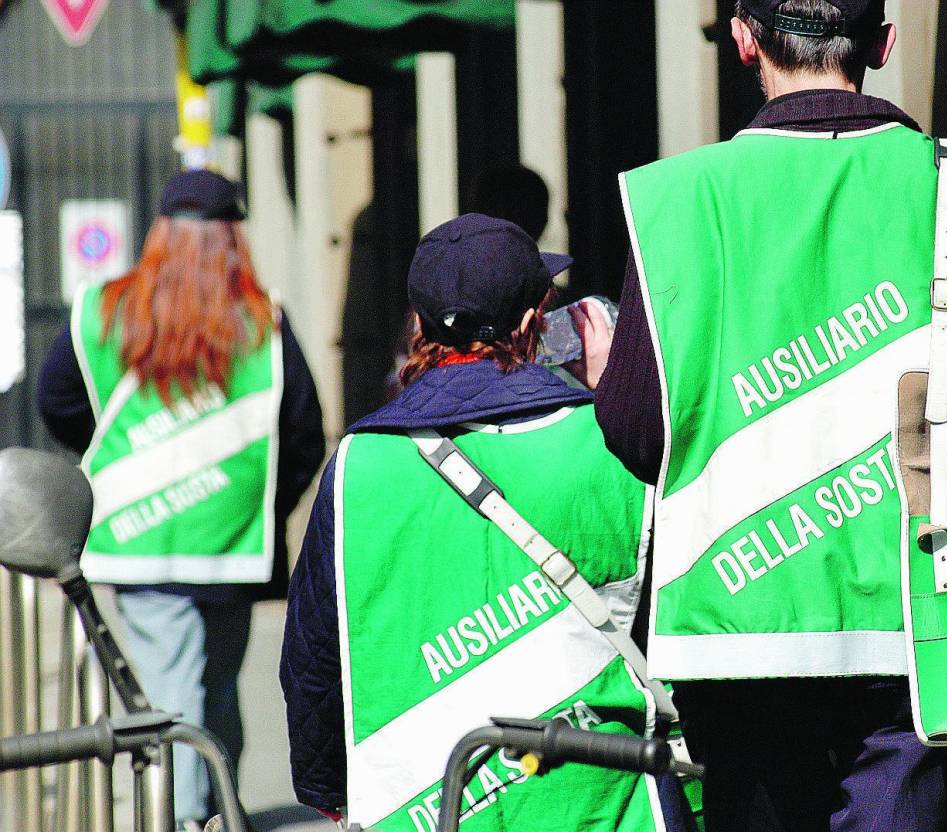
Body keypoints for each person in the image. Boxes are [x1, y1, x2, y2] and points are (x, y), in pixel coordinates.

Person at [593, 1, 947, 830]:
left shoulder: (673, 202)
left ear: (744, 40)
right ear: (884, 45)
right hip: (925, 630)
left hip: (732, 629)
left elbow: (639, 428)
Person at [280, 214, 687, 832]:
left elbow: (312, 660)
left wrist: (330, 792)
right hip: (607, 803)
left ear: (418, 327)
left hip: (428, 811)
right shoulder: (609, 446)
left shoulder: (358, 466)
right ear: (533, 325)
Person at [37, 169, 325, 832]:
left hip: (138, 538)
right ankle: (207, 810)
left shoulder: (103, 311)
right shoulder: (263, 321)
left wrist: (110, 455)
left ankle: (188, 814)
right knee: (213, 688)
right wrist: (263, 502)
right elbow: (304, 430)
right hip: (232, 540)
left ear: (159, 231)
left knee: (175, 684)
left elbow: (56, 401)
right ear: (233, 235)